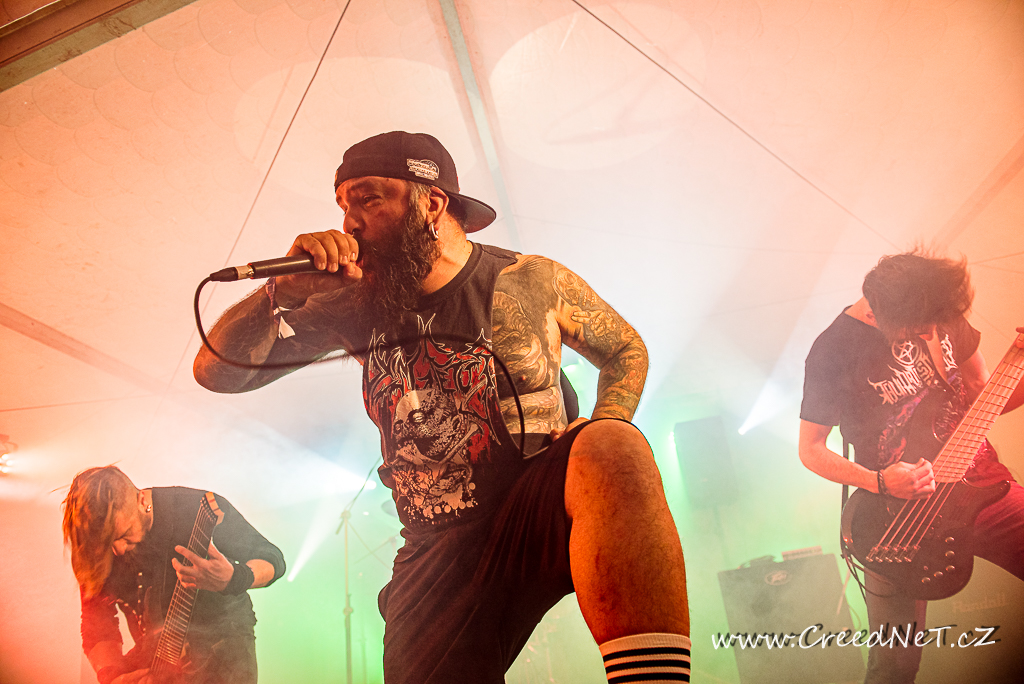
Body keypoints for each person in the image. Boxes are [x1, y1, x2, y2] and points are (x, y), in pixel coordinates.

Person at [193, 131, 690, 683]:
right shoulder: (349, 301)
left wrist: (605, 426)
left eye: (369, 199)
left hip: (533, 503)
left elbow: (625, 348)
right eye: (343, 205)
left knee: (612, 444)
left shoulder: (529, 281)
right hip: (435, 543)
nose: (350, 222)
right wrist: (279, 293)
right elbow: (217, 373)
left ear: (432, 202)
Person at [798, 251, 1024, 683]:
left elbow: (982, 394)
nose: (932, 332)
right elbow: (810, 449)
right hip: (899, 518)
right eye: (920, 327)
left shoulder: (936, 306)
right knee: (895, 664)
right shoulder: (834, 350)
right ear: (881, 313)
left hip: (981, 484)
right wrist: (879, 481)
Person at [63, 465, 286, 684]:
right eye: (106, 544)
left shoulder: (195, 508)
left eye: (124, 534)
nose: (118, 550)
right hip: (157, 660)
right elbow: (96, 620)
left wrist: (234, 578)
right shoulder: (90, 547)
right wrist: (112, 675)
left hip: (223, 653)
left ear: (142, 502)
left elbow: (273, 560)